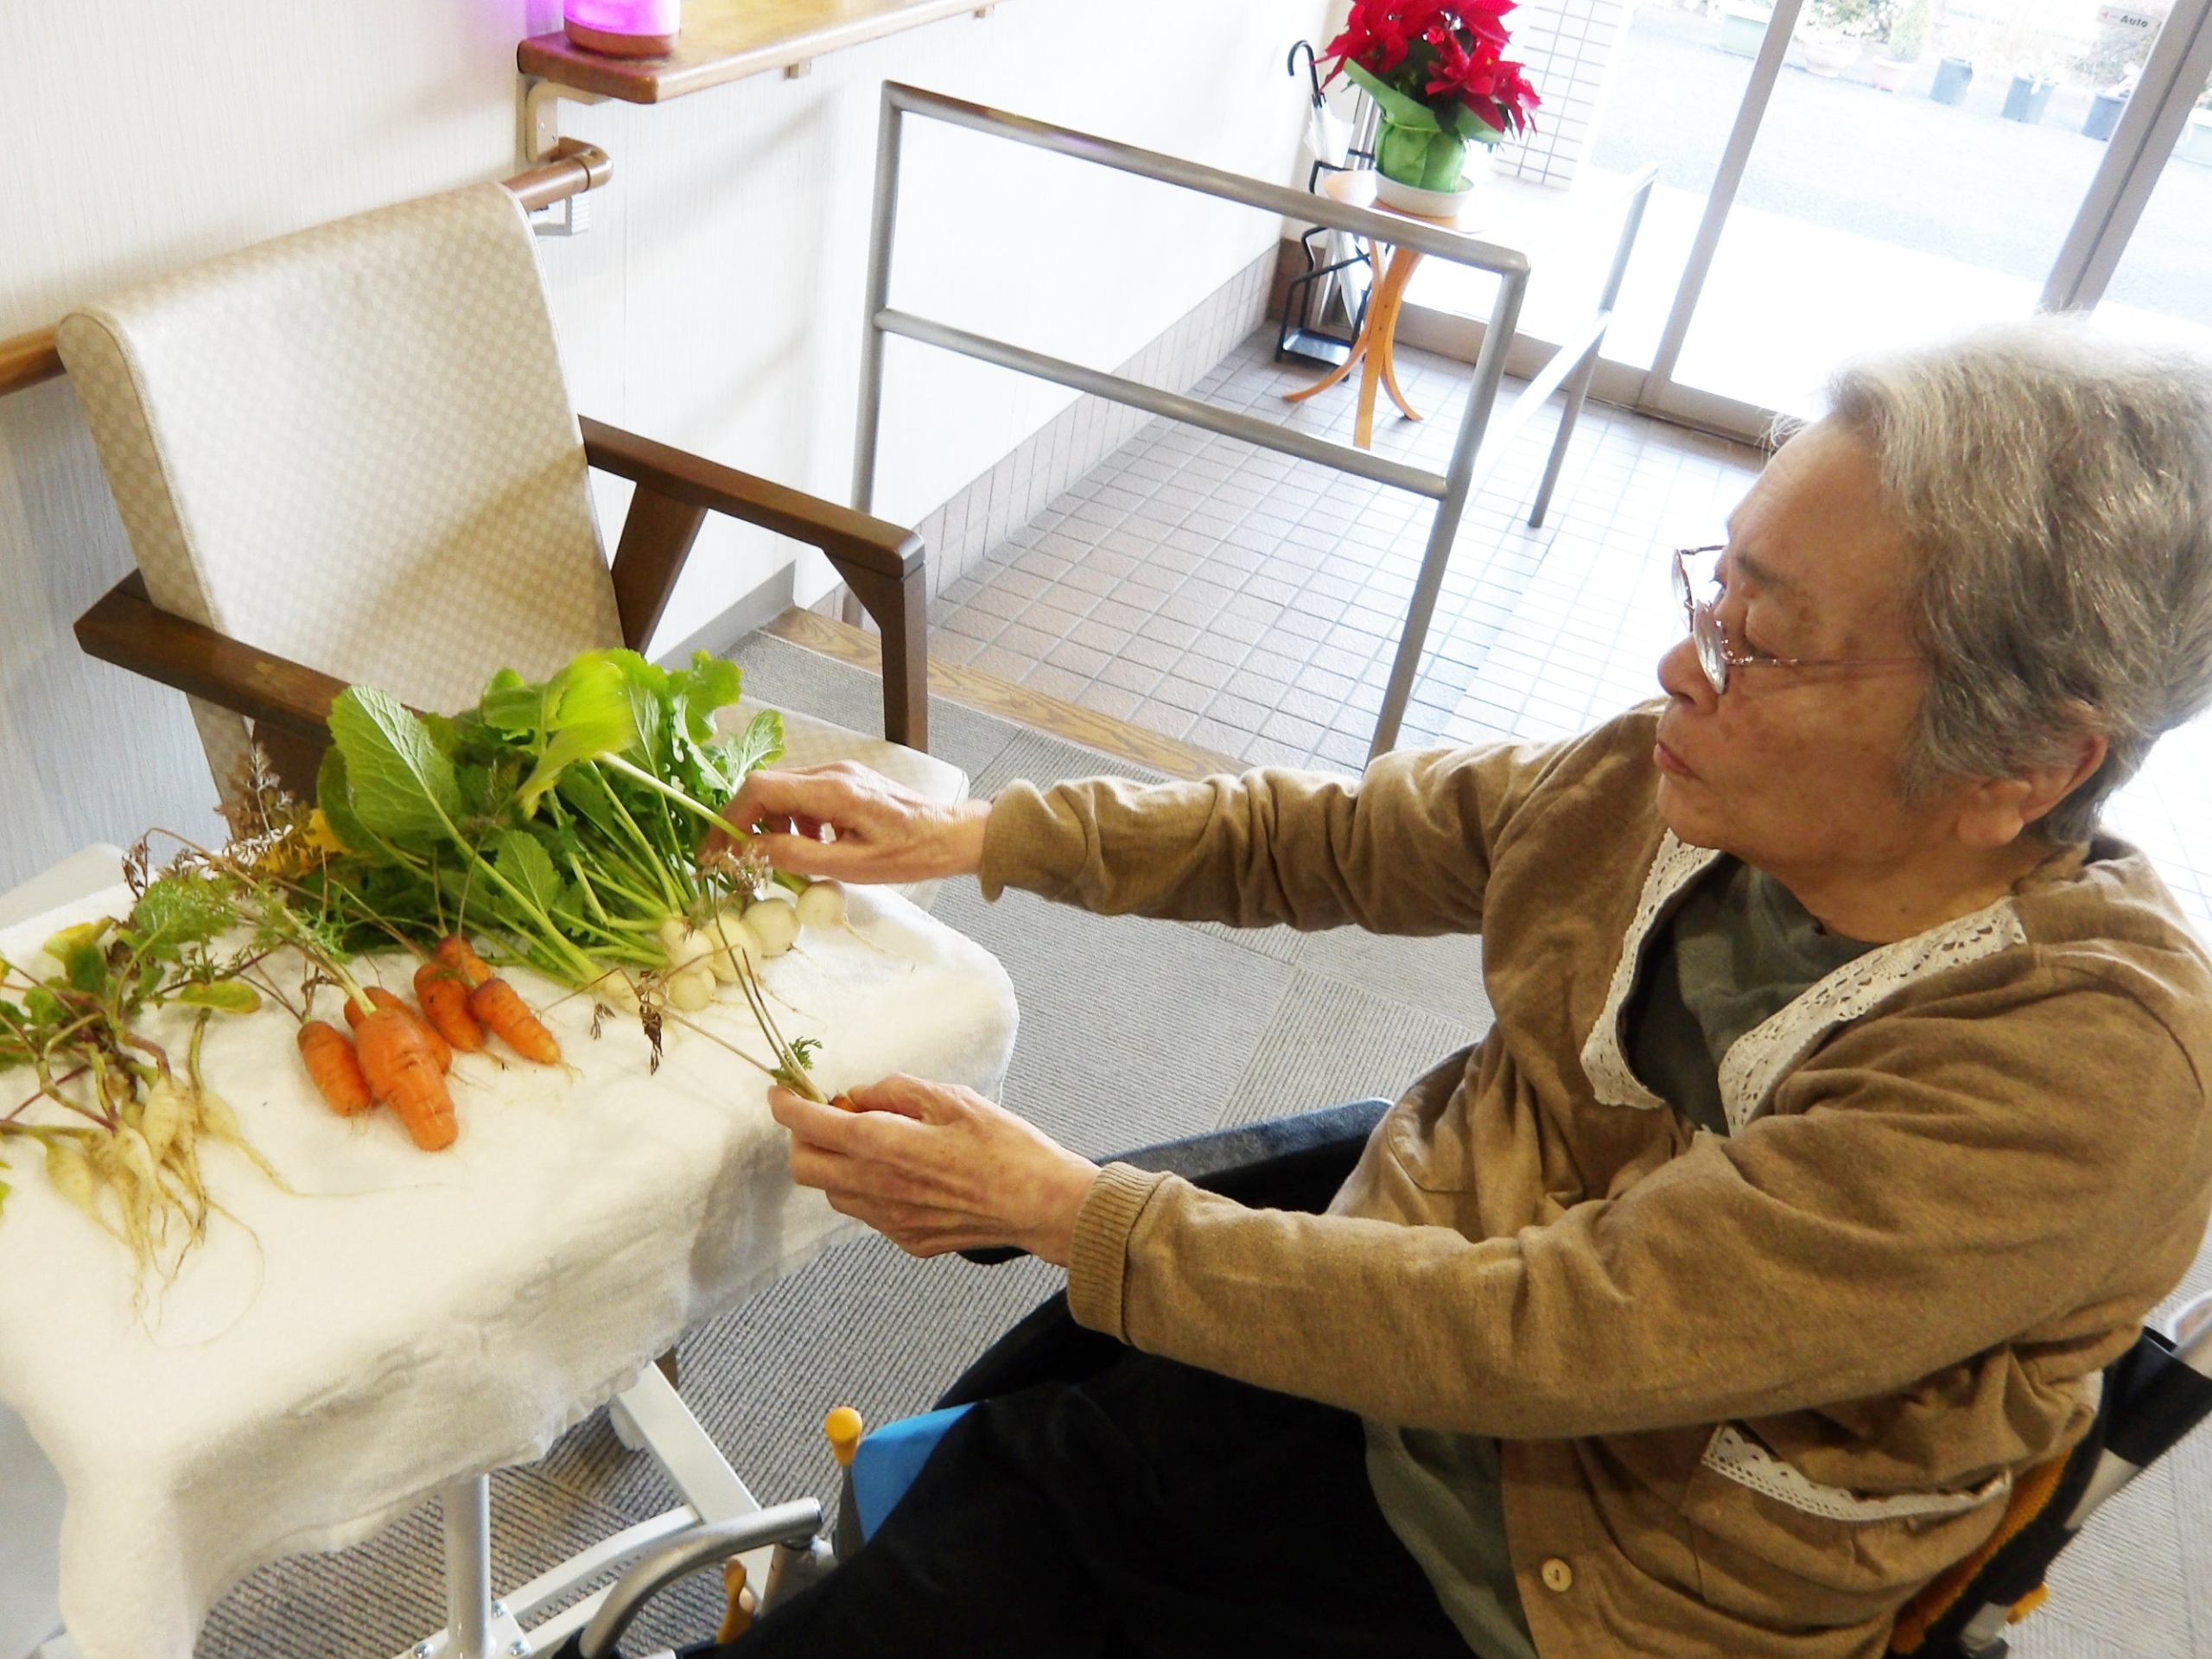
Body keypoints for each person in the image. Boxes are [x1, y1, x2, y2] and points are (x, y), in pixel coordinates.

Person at [707, 319, 2212, 1658]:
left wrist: (1061, 1211)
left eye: (1763, 643)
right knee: (989, 1522)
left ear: (2025, 765)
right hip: (1368, 1338)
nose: (1685, 672)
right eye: (1716, 592)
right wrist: (978, 832)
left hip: (1564, 1584)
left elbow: (1565, 1330)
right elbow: (1356, 837)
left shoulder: (2083, 1081)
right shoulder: (1672, 780)